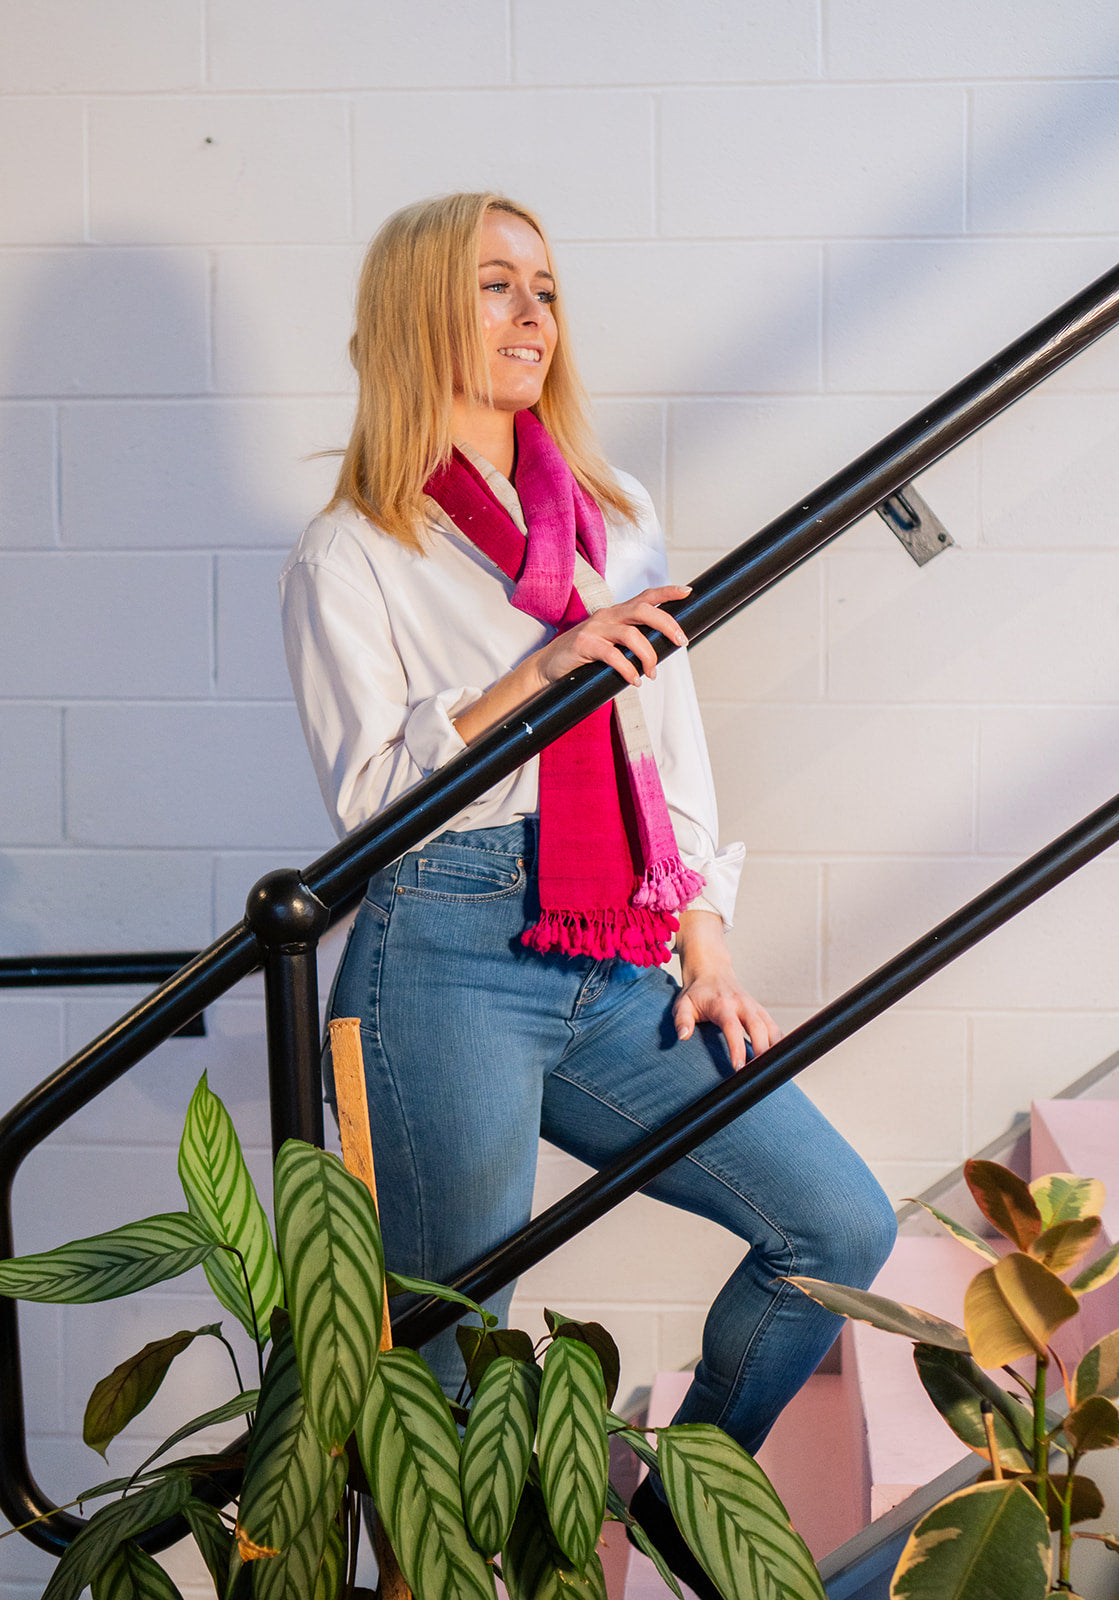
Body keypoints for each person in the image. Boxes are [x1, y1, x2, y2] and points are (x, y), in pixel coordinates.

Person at [281, 192, 895, 1593]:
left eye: (545, 287)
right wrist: (535, 677)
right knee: (448, 1348)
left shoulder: (615, 518)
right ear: (420, 312)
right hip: (441, 942)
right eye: (495, 286)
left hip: (615, 944)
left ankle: (686, 1492)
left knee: (834, 1225)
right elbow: (369, 807)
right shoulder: (353, 549)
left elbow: (666, 745)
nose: (532, 314)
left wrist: (708, 943)